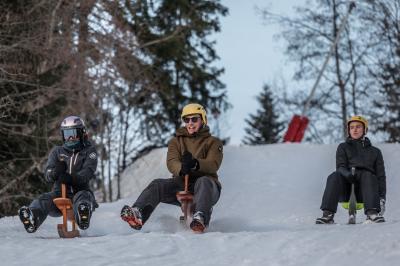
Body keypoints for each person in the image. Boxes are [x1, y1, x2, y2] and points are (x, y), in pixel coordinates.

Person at [121, 103, 223, 233]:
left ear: (203, 119)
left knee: (203, 182)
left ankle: (200, 217)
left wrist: (195, 163)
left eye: (194, 119)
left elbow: (213, 163)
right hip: (182, 182)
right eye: (187, 120)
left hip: (207, 186)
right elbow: (172, 161)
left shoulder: (213, 142)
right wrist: (181, 168)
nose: (190, 123)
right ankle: (138, 213)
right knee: (158, 184)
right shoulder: (176, 141)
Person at [19, 116, 98, 233]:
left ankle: (83, 215)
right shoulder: (57, 151)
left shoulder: (89, 152)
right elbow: (47, 173)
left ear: (82, 133)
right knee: (44, 199)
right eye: (67, 134)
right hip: (59, 194)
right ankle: (32, 217)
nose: (70, 138)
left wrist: (71, 178)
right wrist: (55, 172)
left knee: (83, 197)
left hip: (80, 191)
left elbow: (87, 172)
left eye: (74, 133)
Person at [316, 115, 386, 224]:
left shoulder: (375, 152)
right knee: (334, 175)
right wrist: (347, 174)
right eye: (352, 127)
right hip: (347, 189)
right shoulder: (343, 147)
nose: (355, 129)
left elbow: (381, 176)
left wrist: (382, 198)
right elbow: (340, 166)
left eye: (358, 127)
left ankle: (372, 212)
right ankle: (327, 214)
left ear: (365, 130)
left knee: (368, 175)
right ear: (348, 130)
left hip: (367, 191)